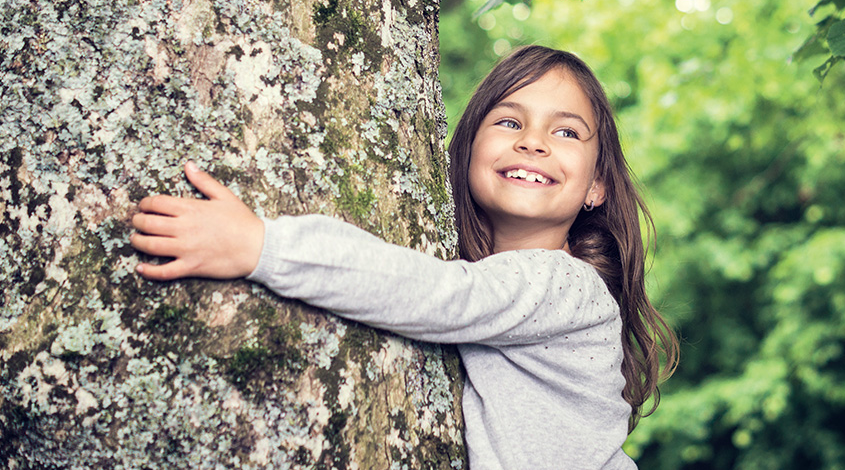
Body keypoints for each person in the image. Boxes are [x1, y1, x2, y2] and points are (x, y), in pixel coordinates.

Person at [130, 45, 678, 469]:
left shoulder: (567, 285)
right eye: (510, 122)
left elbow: (434, 293)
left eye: (566, 132)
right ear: (467, 153)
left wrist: (259, 245)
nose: (534, 141)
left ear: (597, 187)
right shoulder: (503, 281)